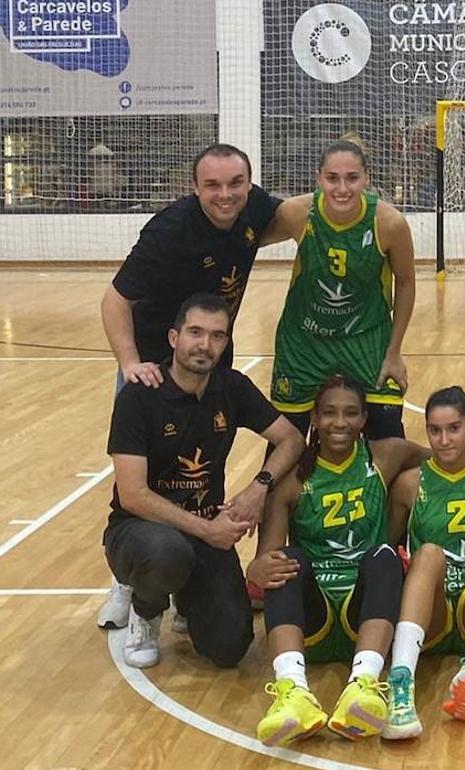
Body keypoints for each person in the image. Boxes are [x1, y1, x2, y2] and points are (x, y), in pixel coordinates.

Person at [97, 143, 283, 630]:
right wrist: (131, 364)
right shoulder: (169, 231)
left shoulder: (253, 208)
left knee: (201, 465)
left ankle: (190, 586)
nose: (226, 194)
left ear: (249, 184)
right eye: (212, 185)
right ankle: (132, 580)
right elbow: (115, 301)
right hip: (152, 364)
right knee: (140, 475)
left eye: (235, 183)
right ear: (194, 187)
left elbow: (301, 216)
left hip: (209, 357)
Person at [105, 293, 304, 669]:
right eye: (195, 332)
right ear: (173, 338)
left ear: (226, 343)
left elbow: (292, 440)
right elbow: (133, 495)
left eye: (217, 336)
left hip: (204, 531)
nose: (205, 345)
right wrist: (208, 530)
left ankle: (187, 596)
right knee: (168, 552)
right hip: (138, 531)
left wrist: (258, 487)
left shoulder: (231, 387)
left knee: (230, 647)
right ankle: (145, 611)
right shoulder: (139, 397)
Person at [249, 374, 420, 746]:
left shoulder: (385, 455)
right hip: (315, 621)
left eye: (350, 413)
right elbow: (265, 561)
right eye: (329, 413)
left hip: (367, 614)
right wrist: (256, 568)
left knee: (385, 555)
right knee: (285, 560)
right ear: (314, 417)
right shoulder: (292, 480)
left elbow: (447, 459)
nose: (339, 423)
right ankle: (293, 691)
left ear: (364, 419)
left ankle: (364, 684)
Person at [382, 386, 465, 738]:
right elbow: (385, 548)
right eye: (435, 430)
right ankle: (401, 683)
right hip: (433, 611)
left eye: (454, 428)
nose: (444, 440)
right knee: (429, 552)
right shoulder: (410, 483)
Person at [265, 136, 416, 440]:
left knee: (388, 439)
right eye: (332, 178)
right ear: (318, 178)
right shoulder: (296, 213)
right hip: (304, 342)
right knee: (287, 443)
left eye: (352, 178)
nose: (342, 188)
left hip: (366, 340)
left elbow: (406, 282)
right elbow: (245, 242)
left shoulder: (389, 223)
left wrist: (394, 352)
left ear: (366, 179)